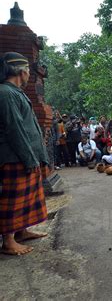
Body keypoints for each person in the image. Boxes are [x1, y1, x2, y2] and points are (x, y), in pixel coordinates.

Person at [0, 52, 49, 255]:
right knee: (14, 199)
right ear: (22, 71)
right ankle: (9, 241)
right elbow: (15, 130)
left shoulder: (14, 92)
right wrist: (29, 158)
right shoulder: (5, 93)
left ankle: (21, 231)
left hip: (24, 156)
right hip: (15, 157)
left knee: (26, 197)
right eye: (29, 70)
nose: (30, 74)